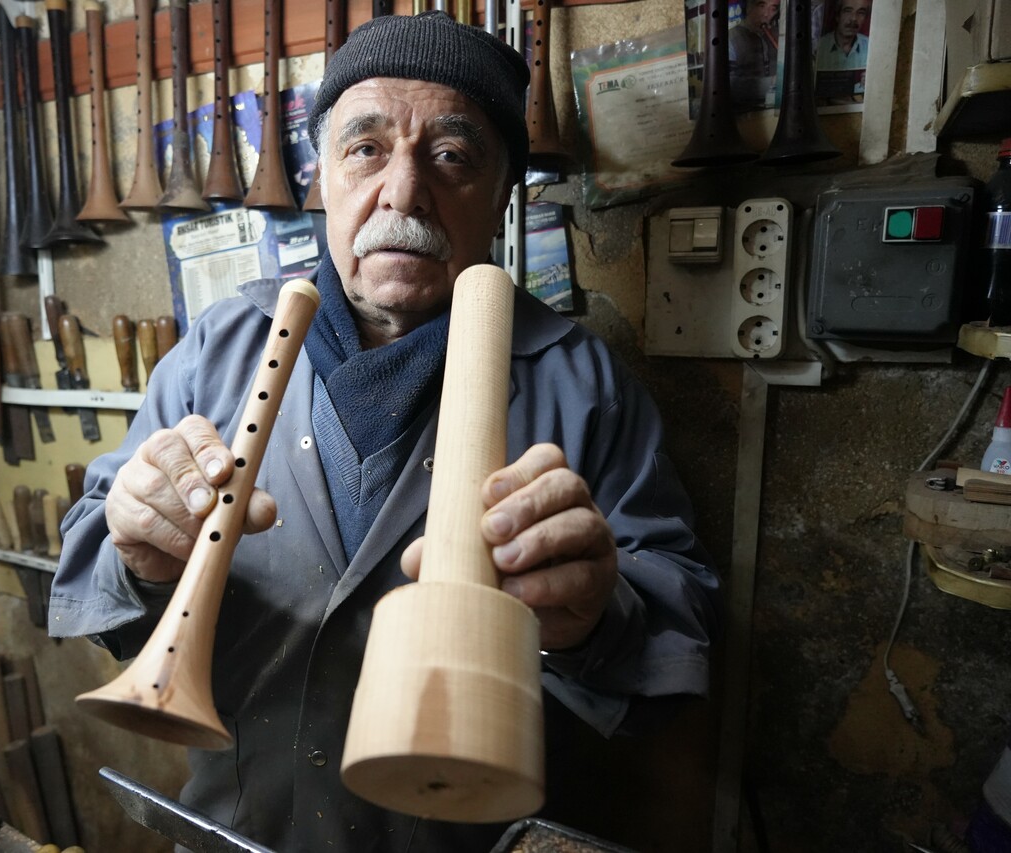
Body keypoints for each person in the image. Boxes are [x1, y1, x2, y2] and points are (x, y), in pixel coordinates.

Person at [51, 11, 720, 852]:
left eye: (450, 156)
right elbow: (89, 557)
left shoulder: (583, 383)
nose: (403, 191)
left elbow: (681, 621)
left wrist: (595, 614)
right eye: (365, 148)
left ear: (502, 194)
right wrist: (135, 552)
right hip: (241, 827)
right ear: (323, 177)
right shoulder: (218, 349)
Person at [728, 0, 780, 110]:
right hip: (745, 112)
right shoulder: (730, 38)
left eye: (773, 8)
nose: (766, 14)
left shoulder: (779, 35)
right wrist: (772, 83)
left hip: (778, 109)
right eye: (761, 5)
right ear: (748, 7)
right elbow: (728, 85)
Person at [815, 0, 871, 71]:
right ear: (837, 16)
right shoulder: (820, 46)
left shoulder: (871, 46)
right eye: (847, 11)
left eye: (861, 13)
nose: (853, 18)